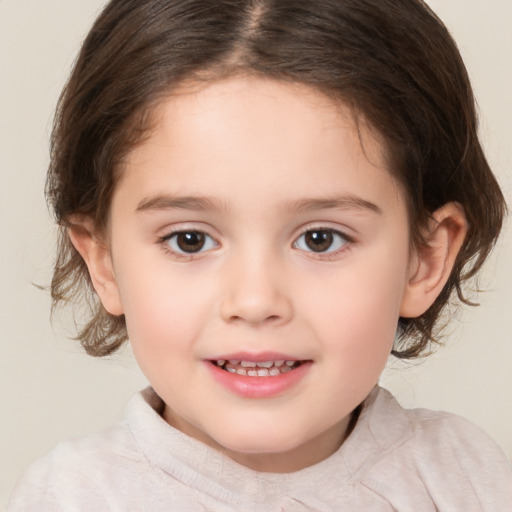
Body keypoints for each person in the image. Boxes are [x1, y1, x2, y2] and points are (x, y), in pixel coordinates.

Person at [7, 0, 512, 509]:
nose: (254, 301)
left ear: (423, 258)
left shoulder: (466, 481)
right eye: (190, 240)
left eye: (320, 239)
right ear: (104, 261)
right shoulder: (71, 496)